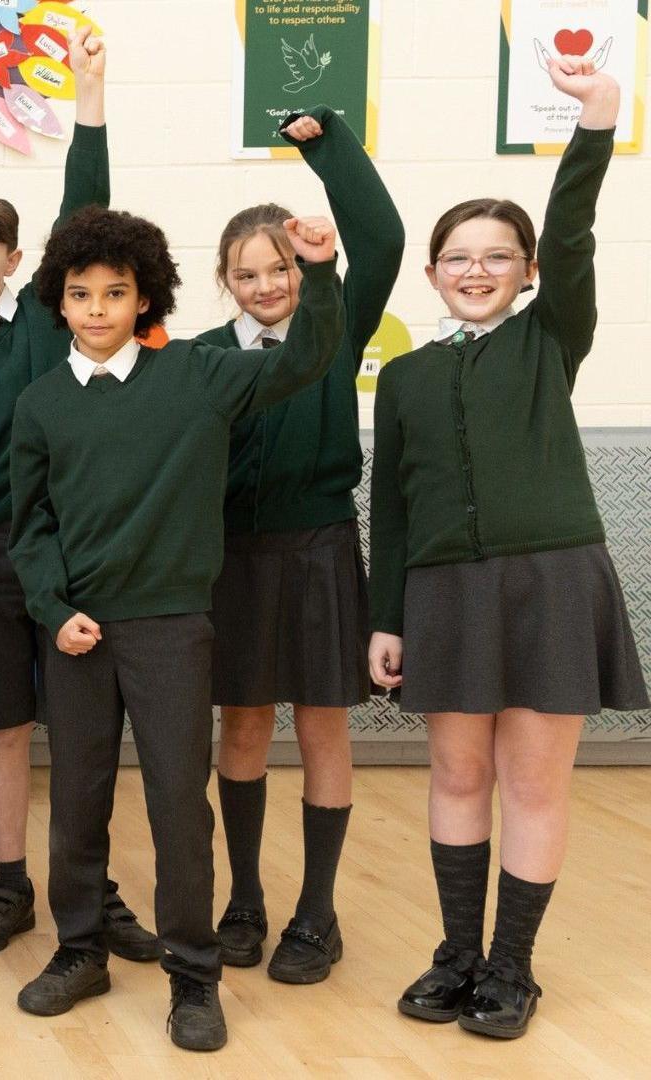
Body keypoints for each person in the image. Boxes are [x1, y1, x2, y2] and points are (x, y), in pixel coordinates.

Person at [8, 206, 344, 1051]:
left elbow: (308, 355)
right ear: (59, 300)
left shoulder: (204, 372)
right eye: (79, 294)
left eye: (114, 292)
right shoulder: (41, 403)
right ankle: (80, 950)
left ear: (145, 297)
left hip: (170, 629)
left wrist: (322, 268)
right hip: (79, 632)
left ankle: (194, 974)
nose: (95, 309)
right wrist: (54, 608)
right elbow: (30, 526)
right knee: (77, 802)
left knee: (176, 809)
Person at [370, 58, 643, 1041]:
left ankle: (512, 969)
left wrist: (597, 119)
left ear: (527, 272)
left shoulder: (549, 339)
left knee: (533, 781)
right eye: (458, 256)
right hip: (443, 593)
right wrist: (386, 617)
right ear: (434, 271)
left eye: (499, 256)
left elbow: (573, 230)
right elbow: (393, 511)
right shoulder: (402, 380)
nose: (476, 269)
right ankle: (456, 955)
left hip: (553, 583)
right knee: (454, 776)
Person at [0, 28, 157, 961]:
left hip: (73, 551)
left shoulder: (49, 326)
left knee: (87, 735)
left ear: (17, 261)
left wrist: (89, 98)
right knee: (5, 729)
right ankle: (11, 885)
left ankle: (95, 889)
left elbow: (83, 206)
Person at [199, 105, 404, 982]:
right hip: (232, 559)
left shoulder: (333, 323)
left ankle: (317, 913)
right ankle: (243, 900)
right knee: (242, 723)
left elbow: (384, 238)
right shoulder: (204, 355)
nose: (266, 284)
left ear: (299, 266)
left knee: (323, 725)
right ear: (226, 282)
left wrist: (325, 149)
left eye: (278, 266)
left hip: (320, 548)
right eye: (246, 273)